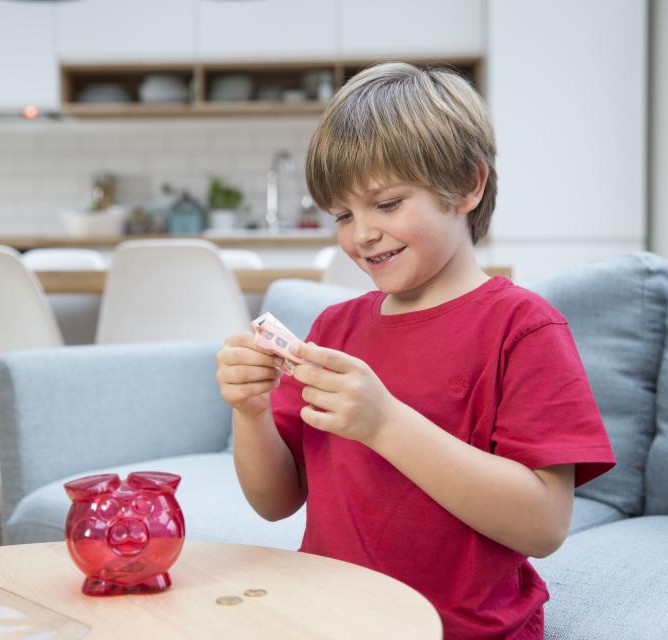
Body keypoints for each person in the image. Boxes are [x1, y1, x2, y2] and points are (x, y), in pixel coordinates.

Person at [214, 62, 616, 639]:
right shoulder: (334, 328)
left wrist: (384, 424)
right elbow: (275, 501)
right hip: (330, 621)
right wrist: (251, 411)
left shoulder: (522, 328)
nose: (362, 234)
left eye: (387, 202)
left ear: (468, 185)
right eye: (343, 214)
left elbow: (544, 525)